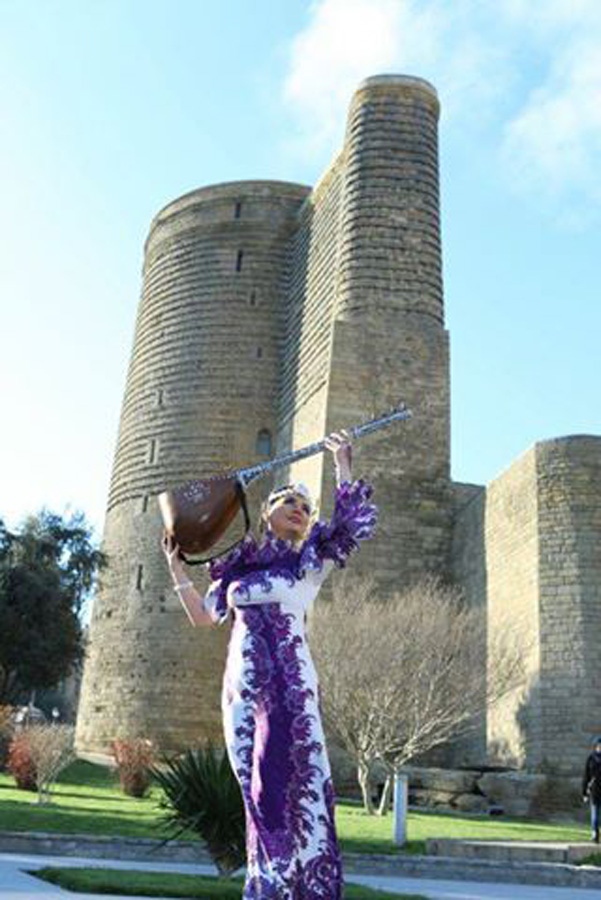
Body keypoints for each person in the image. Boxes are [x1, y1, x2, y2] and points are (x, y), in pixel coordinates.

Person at [163, 431, 377, 898]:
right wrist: (178, 572)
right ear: (265, 513)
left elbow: (351, 528)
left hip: (290, 690)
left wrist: (341, 462)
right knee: (254, 792)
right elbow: (205, 617)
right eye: (288, 501)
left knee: (279, 783)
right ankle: (265, 885)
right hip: (241, 693)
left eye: (305, 506)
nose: (299, 508)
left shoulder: (310, 562)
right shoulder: (238, 569)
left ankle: (295, 886)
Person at [582, 738, 601, 843]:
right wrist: (584, 792)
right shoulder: (591, 758)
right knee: (595, 814)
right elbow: (586, 776)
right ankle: (595, 834)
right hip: (594, 790)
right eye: (599, 745)